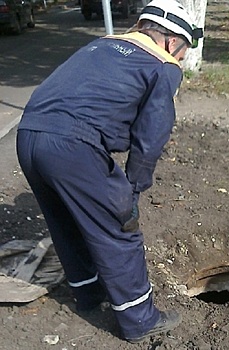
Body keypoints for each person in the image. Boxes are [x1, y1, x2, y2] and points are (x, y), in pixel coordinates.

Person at [15, 0, 203, 343]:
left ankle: (88, 294)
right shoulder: (163, 65)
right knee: (120, 228)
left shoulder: (101, 43)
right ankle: (140, 319)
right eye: (185, 52)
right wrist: (132, 189)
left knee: (66, 221)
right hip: (72, 145)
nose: (182, 60)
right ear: (173, 41)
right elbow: (151, 136)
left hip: (28, 134)